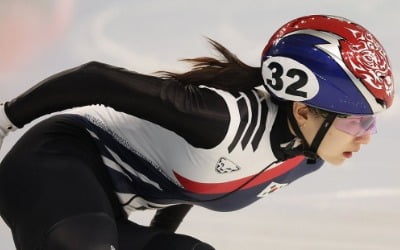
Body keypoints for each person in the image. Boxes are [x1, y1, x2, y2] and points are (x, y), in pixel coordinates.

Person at [0, 14, 394, 250]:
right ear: (303, 109)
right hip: (53, 165)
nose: (366, 135)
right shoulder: (221, 119)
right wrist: (6, 120)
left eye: (371, 120)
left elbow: (193, 176)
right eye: (356, 120)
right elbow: (94, 78)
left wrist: (159, 239)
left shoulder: (307, 156)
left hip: (106, 209)